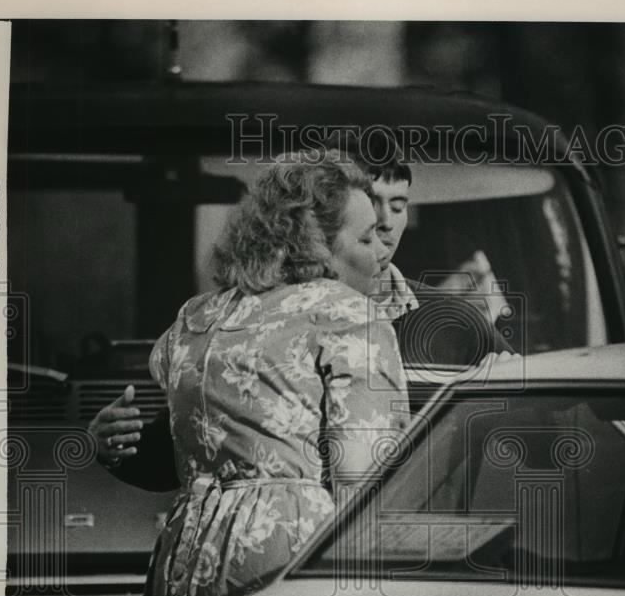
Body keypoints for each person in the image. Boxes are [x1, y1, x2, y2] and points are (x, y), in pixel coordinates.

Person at [91, 132, 513, 490]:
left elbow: (536, 433)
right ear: (319, 219)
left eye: (398, 205)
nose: (384, 222)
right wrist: (118, 448)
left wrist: (501, 405)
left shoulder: (457, 324)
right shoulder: (256, 323)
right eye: (370, 203)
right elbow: (205, 446)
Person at [137, 154, 408, 596]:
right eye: (365, 237)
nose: (380, 251)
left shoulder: (197, 316)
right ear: (316, 244)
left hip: (188, 550)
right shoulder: (347, 314)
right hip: (290, 551)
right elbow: (362, 480)